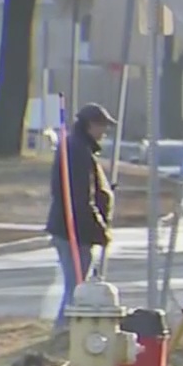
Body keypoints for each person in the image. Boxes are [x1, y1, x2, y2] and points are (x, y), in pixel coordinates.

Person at [45, 103, 116, 331]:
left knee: (77, 286)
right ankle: (64, 332)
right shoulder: (77, 151)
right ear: (90, 125)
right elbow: (80, 199)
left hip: (73, 229)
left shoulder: (79, 148)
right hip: (73, 231)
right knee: (77, 288)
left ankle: (67, 331)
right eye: (102, 126)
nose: (104, 131)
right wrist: (100, 230)